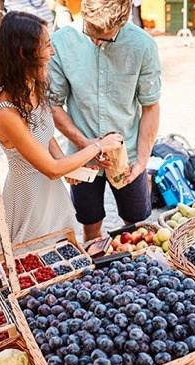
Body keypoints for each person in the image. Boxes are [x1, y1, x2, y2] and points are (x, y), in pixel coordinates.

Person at [0, 11, 124, 243]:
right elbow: (51, 169)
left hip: (52, 193)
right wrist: (98, 146)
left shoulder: (32, 86)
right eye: (47, 45)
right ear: (23, 53)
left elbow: (44, 134)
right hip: (29, 199)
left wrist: (68, 166)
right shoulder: (6, 113)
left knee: (63, 250)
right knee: (37, 256)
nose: (52, 52)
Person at [49, 0, 161, 241]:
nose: (97, 42)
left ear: (123, 21)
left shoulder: (143, 45)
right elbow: (53, 105)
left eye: (106, 38)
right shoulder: (61, 42)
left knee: (137, 225)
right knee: (90, 225)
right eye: (91, 34)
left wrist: (142, 161)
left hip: (129, 154)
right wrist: (87, 145)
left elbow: (150, 106)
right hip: (81, 155)